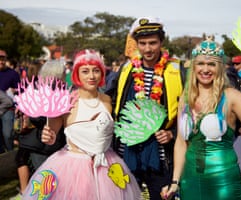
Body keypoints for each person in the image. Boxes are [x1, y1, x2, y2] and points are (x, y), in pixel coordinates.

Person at [160, 37, 241, 200]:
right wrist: (175, 181)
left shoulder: (231, 96)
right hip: (190, 180)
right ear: (194, 66)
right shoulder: (185, 97)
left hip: (223, 184)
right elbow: (181, 142)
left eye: (211, 64)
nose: (205, 69)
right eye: (201, 64)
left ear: (219, 68)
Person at [21, 49, 141, 199]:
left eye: (96, 71)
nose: (91, 76)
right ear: (77, 74)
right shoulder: (65, 101)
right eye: (85, 71)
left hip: (107, 166)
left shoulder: (109, 101)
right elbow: (50, 137)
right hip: (72, 170)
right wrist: (47, 135)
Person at [110, 17, 185, 199]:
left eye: (153, 43)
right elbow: (110, 98)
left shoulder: (177, 70)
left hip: (160, 156)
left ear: (162, 42)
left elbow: (189, 113)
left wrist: (173, 133)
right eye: (142, 43)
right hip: (127, 152)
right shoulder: (127, 69)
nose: (147, 49)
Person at [11, 60, 66, 200]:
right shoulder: (55, 93)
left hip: (42, 144)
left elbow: (38, 118)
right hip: (41, 143)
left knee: (45, 181)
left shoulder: (48, 92)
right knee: (45, 182)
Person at [0, 49, 20, 152]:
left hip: (8, 108)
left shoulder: (12, 74)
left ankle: (10, 153)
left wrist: (14, 90)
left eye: (3, 59)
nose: (1, 61)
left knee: (7, 134)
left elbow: (20, 91)